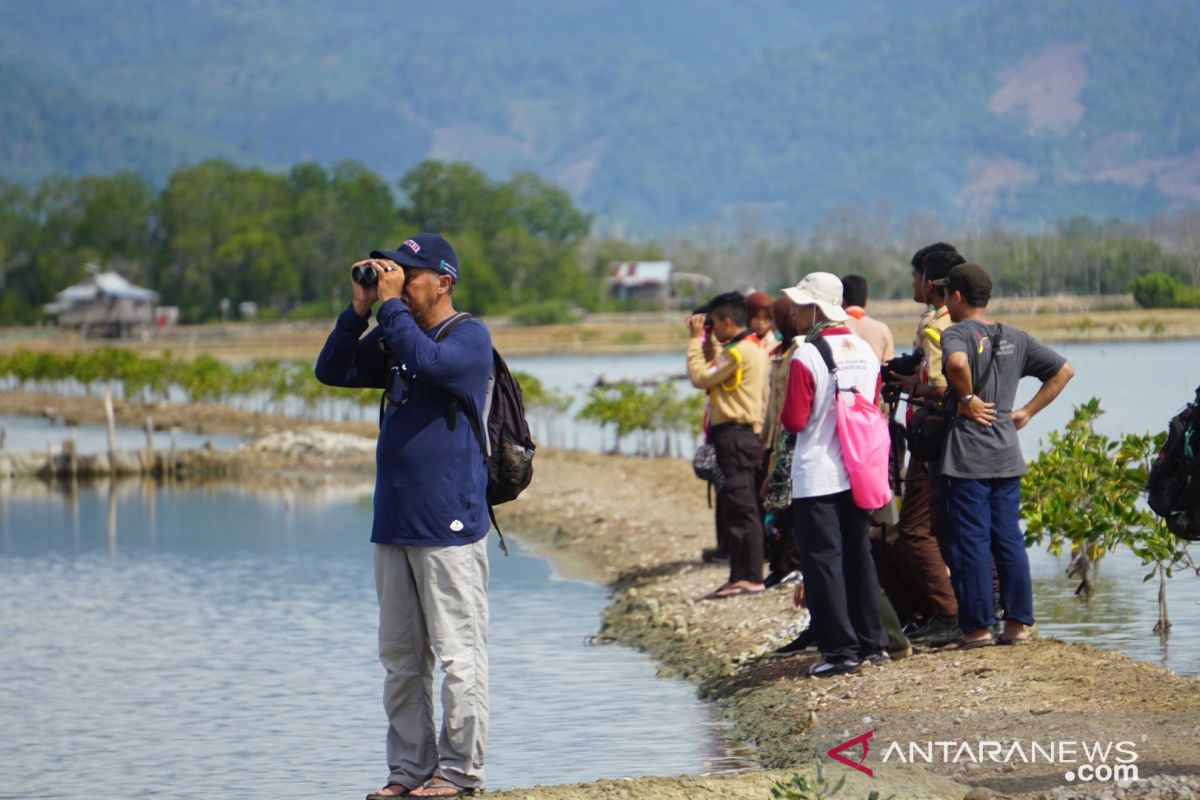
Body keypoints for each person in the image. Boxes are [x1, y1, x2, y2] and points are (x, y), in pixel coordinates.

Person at [314, 233, 493, 799]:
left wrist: (389, 309)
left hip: (448, 526)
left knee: (458, 655)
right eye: (391, 272)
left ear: (444, 281)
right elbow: (333, 369)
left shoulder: (468, 336)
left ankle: (460, 774)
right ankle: (410, 771)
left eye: (407, 274)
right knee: (400, 659)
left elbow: (428, 361)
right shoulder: (394, 334)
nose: (397, 281)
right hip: (393, 523)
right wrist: (359, 310)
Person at [934, 263, 1074, 650]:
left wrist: (966, 399)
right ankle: (1016, 626)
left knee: (972, 542)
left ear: (957, 297)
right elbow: (1064, 371)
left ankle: (977, 629)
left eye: (947, 294)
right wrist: (1026, 411)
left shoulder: (957, 333)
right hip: (1006, 452)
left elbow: (958, 363)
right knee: (1008, 539)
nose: (945, 301)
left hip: (968, 456)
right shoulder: (1015, 337)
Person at [780, 273, 887, 676]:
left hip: (817, 473)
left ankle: (840, 651)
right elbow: (872, 404)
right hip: (857, 470)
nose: (793, 312)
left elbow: (794, 420)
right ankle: (872, 644)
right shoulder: (864, 349)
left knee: (824, 562)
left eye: (800, 305)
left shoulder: (806, 355)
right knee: (860, 558)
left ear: (817, 309)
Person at [883, 246, 965, 644]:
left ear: (929, 283)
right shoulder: (961, 320)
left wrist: (908, 384)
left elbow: (938, 384)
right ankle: (967, 608)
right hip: (953, 438)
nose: (912, 284)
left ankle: (947, 614)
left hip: (933, 439)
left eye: (915, 277)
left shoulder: (936, 324)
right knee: (947, 526)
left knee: (915, 529)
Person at [686, 291, 769, 599]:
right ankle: (741, 575)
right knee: (738, 506)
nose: (713, 330)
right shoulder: (747, 347)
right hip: (740, 435)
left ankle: (750, 577)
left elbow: (700, 377)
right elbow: (715, 368)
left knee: (742, 507)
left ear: (728, 321)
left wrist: (695, 340)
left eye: (715, 324)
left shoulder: (738, 352)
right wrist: (707, 341)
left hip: (735, 435)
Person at [841, 274, 894, 364]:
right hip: (875, 377)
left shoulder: (832, 327)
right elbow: (888, 364)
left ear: (842, 301)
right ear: (866, 302)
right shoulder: (882, 329)